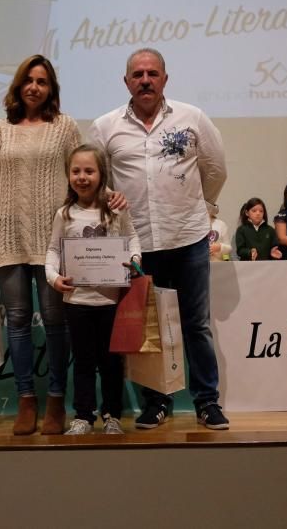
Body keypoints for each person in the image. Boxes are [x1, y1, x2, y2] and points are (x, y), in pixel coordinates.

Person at [90, 47, 229, 430]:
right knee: (148, 328)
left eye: (152, 73)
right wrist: (107, 198)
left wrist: (207, 210)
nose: (145, 80)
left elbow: (216, 168)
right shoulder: (105, 126)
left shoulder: (192, 118)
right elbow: (93, 181)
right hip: (138, 246)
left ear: (165, 78)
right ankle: (157, 402)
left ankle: (206, 402)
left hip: (188, 237)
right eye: (138, 74)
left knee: (195, 325)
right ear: (126, 81)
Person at [0, 54, 82, 435]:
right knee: (16, 322)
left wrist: (105, 206)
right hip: (7, 236)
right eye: (29, 80)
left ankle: (55, 401)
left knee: (55, 322)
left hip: (54, 239)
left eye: (43, 81)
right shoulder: (0, 129)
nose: (35, 87)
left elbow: (84, 177)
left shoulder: (65, 127)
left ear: (51, 89)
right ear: (18, 86)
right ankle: (25, 400)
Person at [45, 144, 141, 435]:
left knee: (111, 362)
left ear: (102, 174)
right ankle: (83, 416)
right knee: (84, 362)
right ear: (68, 175)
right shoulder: (65, 213)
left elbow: (133, 239)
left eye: (89, 171)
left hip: (112, 301)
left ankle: (112, 415)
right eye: (76, 171)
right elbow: (52, 250)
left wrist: (134, 261)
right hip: (77, 300)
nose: (82, 177)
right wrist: (52, 277)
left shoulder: (115, 208)